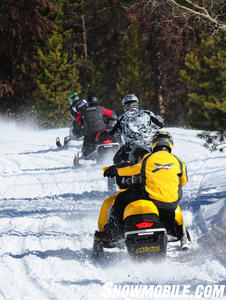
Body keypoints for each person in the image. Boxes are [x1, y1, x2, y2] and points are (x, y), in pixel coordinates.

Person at [96, 131, 190, 249]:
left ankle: (113, 232)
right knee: (171, 210)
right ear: (170, 144)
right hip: (171, 202)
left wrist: (114, 170)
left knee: (120, 199)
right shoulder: (178, 161)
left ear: (154, 143)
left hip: (152, 198)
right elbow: (183, 181)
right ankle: (175, 229)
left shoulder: (148, 158)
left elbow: (132, 169)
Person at [111, 94, 165, 164]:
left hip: (130, 149)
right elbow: (160, 125)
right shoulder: (147, 113)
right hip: (148, 146)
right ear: (137, 103)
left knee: (116, 161)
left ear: (124, 105)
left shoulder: (122, 118)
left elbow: (114, 134)